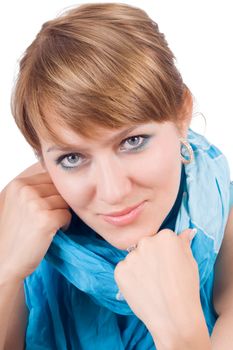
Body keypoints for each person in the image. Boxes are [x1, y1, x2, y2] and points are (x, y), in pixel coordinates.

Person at [0, 2, 233, 349]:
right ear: (41, 159)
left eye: (133, 141)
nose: (112, 191)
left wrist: (182, 334)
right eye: (72, 157)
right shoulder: (18, 230)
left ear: (182, 114)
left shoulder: (222, 223)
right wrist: (5, 273)